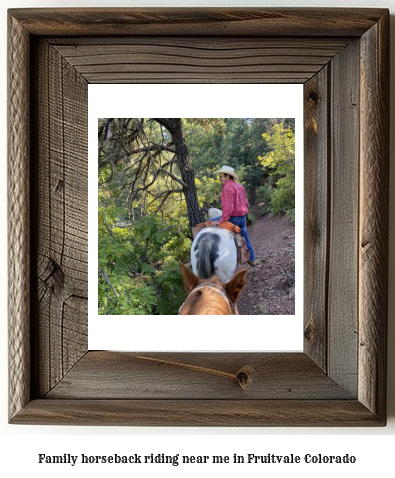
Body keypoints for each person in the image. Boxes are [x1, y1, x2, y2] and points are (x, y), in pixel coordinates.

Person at [211, 165, 256, 266]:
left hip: (232, 218)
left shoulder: (227, 188)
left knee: (210, 222)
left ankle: (214, 258)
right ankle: (252, 259)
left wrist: (221, 221)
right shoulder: (240, 187)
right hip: (243, 218)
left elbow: (228, 209)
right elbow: (246, 203)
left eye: (221, 176)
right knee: (246, 238)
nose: (220, 179)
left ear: (227, 176)